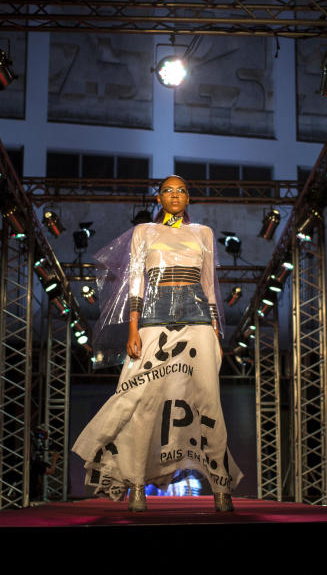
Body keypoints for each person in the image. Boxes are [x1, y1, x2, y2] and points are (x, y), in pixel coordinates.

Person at [72, 175, 243, 513]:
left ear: (188, 197)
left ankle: (221, 487)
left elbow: (209, 287)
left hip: (196, 320)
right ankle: (136, 483)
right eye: (168, 190)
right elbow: (136, 281)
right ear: (159, 198)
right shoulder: (145, 232)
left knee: (207, 401)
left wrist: (215, 333)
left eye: (181, 190)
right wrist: (133, 329)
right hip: (153, 319)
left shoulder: (203, 234)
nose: (175, 195)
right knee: (140, 397)